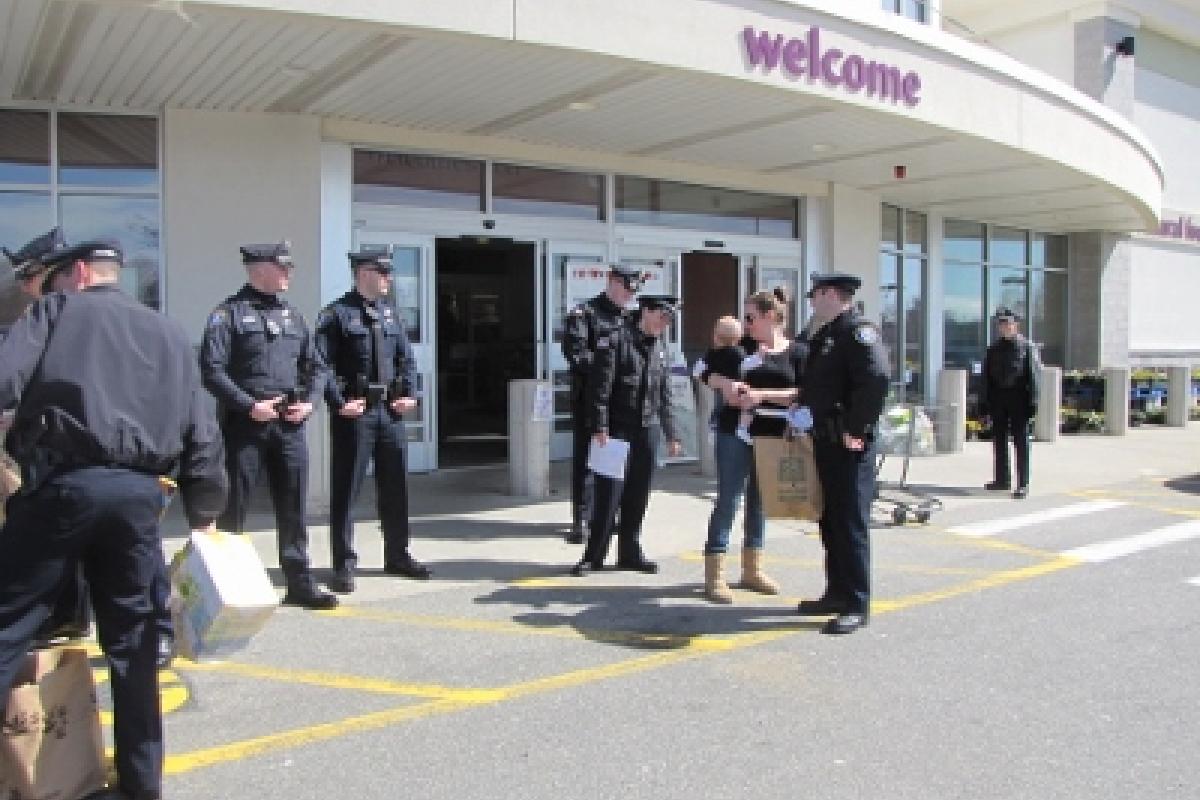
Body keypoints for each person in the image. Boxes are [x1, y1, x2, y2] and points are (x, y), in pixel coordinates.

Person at [0, 239, 228, 800]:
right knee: (134, 649)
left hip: (63, 488)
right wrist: (205, 512)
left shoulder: (56, 312)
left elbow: (5, 380)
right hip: (139, 497)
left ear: (76, 274)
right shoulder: (170, 331)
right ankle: (140, 783)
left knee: (7, 628)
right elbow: (203, 429)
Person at [199, 241, 337, 610]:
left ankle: (299, 581)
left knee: (293, 505)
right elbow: (211, 370)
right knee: (234, 507)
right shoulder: (228, 314)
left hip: (288, 425)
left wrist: (308, 402)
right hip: (245, 426)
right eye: (283, 267)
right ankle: (226, 588)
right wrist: (248, 405)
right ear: (259, 269)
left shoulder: (293, 317)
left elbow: (317, 366)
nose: (289, 273)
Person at [314, 247, 429, 594]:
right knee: (347, 489)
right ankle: (344, 564)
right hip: (356, 413)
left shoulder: (391, 314)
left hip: (389, 413)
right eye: (383, 273)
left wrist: (409, 393)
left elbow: (406, 359)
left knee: (395, 488)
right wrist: (338, 402)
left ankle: (398, 554)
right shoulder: (336, 315)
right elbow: (320, 365)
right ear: (364, 273)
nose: (389, 279)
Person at [794, 272, 890, 634]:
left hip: (849, 443)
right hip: (826, 440)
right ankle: (836, 592)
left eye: (815, 296)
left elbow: (876, 379)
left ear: (831, 294)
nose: (812, 303)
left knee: (850, 524)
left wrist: (857, 429)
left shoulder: (858, 332)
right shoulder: (829, 333)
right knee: (831, 521)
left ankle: (857, 602)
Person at [700, 289, 805, 604]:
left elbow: (805, 391)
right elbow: (702, 370)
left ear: (770, 316)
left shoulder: (798, 352)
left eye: (750, 318)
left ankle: (751, 569)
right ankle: (715, 573)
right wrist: (726, 384)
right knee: (728, 499)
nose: (745, 325)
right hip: (737, 431)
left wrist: (762, 395)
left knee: (759, 501)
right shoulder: (742, 348)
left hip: (774, 435)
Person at [571, 295, 682, 576]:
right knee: (608, 496)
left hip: (646, 430)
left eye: (669, 319)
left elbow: (665, 394)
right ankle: (593, 555)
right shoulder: (616, 340)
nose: (665, 323)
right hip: (616, 431)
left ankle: (630, 551)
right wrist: (599, 426)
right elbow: (600, 389)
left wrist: (672, 433)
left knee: (637, 495)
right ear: (646, 311)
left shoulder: (660, 347)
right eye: (662, 316)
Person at [560, 263, 643, 544]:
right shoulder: (585, 314)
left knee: (615, 459)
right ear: (611, 281)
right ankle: (581, 520)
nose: (628, 296)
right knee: (586, 460)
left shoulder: (630, 318)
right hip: (590, 399)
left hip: (622, 403)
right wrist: (610, 368)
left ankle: (608, 514)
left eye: (632, 291)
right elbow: (577, 356)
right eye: (625, 288)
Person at [981, 307, 1040, 499]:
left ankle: (1023, 484)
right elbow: (986, 378)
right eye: (1001, 324)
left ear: (1016, 325)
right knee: (999, 440)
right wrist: (984, 402)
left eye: (1008, 324)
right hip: (999, 399)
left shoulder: (1026, 347)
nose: (1004, 327)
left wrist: (1034, 401)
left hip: (1019, 399)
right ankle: (1001, 479)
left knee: (1021, 442)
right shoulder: (994, 349)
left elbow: (1034, 376)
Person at [695, 315, 755, 444]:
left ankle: (713, 426)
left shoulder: (712, 353)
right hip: (737, 386)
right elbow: (747, 364)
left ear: (716, 337)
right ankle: (743, 427)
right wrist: (760, 358)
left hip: (720, 388)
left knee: (719, 406)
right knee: (748, 406)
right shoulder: (739, 352)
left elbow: (698, 369)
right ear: (738, 338)